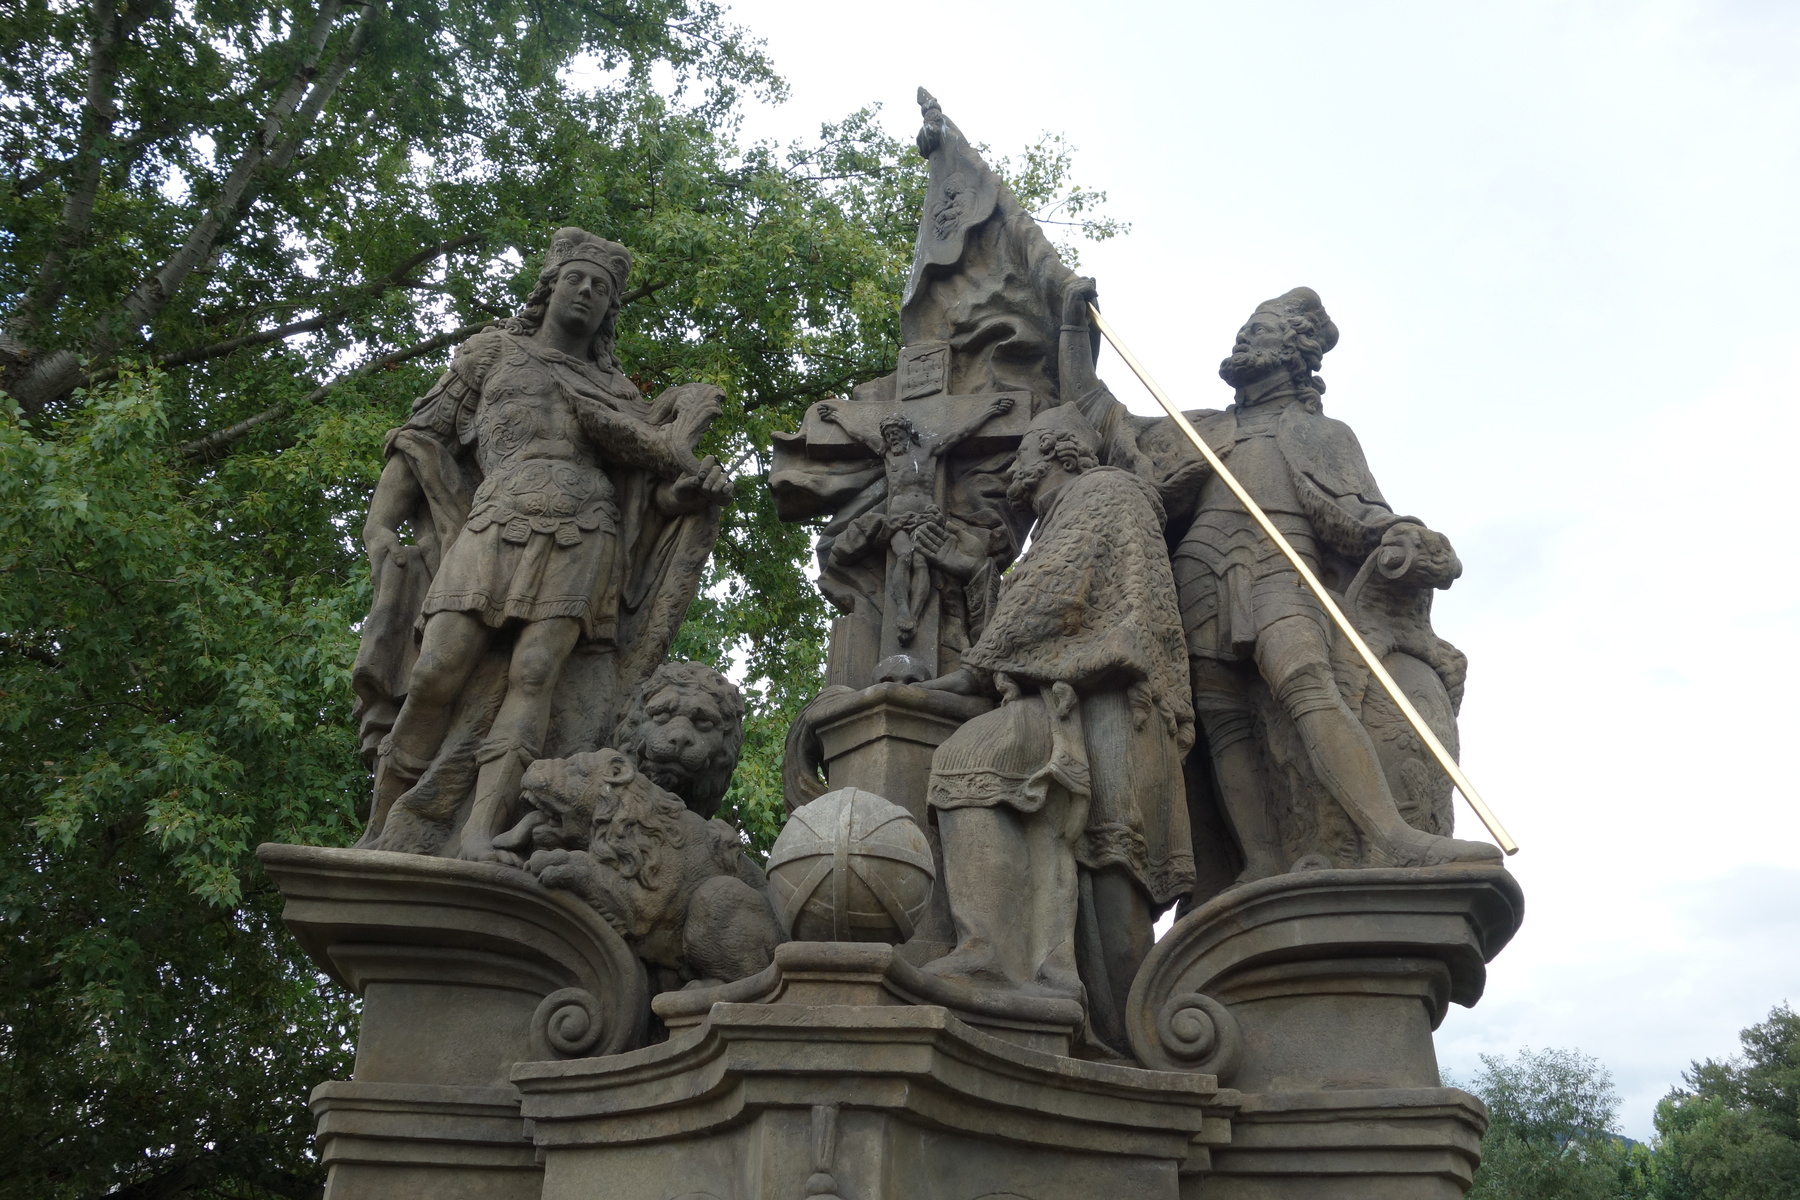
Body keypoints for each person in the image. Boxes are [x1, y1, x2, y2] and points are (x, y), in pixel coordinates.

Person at [1057, 279, 1500, 877]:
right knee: (1220, 718)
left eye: (1258, 331)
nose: (1243, 339)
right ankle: (1259, 865)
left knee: (1307, 684)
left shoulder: (1323, 433)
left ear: (1293, 351)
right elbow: (1094, 409)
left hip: (1282, 565)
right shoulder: (1199, 428)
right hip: (1197, 571)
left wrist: (1403, 535)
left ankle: (1390, 836)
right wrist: (1073, 328)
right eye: (1244, 330)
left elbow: (1361, 513)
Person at [353, 227, 731, 860]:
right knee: (436, 670)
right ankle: (385, 824)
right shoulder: (490, 354)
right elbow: (422, 437)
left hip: (586, 532)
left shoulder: (622, 396)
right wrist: (378, 527)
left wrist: (690, 494)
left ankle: (480, 831)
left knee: (534, 675)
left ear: (610, 309)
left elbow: (647, 500)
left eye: (601, 288)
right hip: (495, 518)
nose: (586, 292)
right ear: (550, 287)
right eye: (575, 279)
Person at [919, 404, 1194, 1050]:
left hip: (1112, 701)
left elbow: (1053, 598)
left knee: (1108, 863)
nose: (1015, 463)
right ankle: (1018, 965)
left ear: (1056, 452)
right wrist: (976, 577)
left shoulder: (1101, 491)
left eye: (1025, 450)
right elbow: (1035, 606)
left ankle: (1108, 1026)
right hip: (1081, 697)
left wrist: (974, 672)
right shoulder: (1063, 517)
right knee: (1075, 838)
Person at [814, 395, 1012, 644]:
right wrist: (837, 417)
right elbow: (860, 435)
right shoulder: (888, 454)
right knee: (904, 556)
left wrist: (991, 412)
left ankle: (914, 616)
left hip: (925, 517)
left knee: (921, 562)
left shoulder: (928, 451)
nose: (892, 438)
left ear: (907, 432)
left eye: (895, 433)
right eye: (888, 435)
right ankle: (903, 610)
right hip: (898, 519)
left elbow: (960, 434)